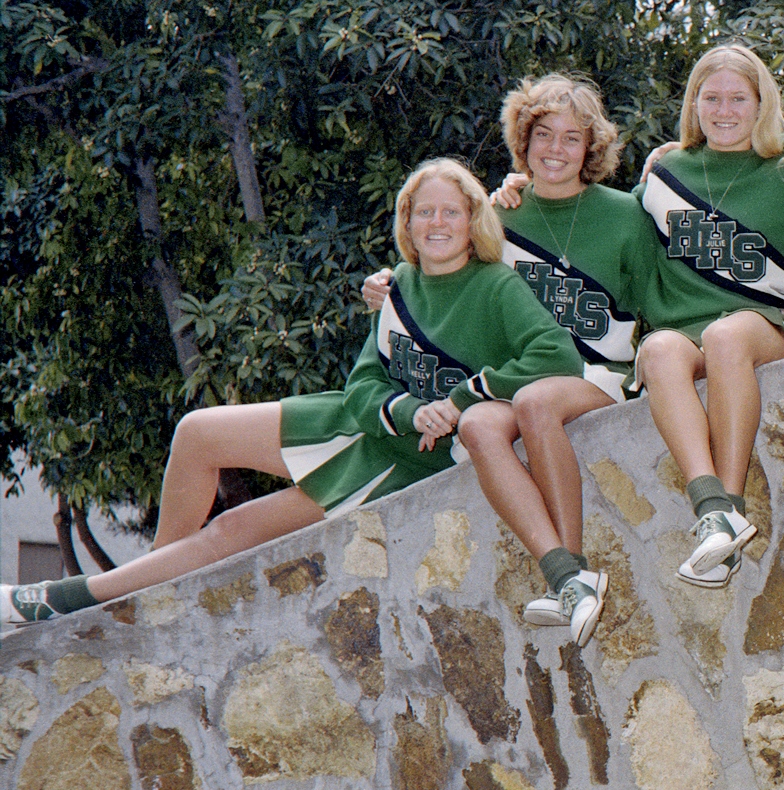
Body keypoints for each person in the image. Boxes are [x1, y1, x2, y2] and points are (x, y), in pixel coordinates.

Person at [4, 162, 599, 635]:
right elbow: (368, 383)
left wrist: (461, 399)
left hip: (398, 459)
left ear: (474, 220)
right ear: (407, 221)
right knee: (196, 433)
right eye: (423, 212)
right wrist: (406, 408)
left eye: (450, 211)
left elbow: (553, 357)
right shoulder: (401, 284)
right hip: (358, 420)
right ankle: (148, 583)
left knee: (230, 531)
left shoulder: (495, 284)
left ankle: (57, 600)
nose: (436, 223)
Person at [367, 75, 644, 633]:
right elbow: (439, 271)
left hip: (598, 374)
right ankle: (565, 576)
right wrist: (386, 284)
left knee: (539, 403)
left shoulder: (623, 213)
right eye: (544, 134)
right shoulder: (498, 216)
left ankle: (575, 573)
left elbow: (657, 295)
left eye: (573, 137)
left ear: (592, 147)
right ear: (523, 140)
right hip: (519, 376)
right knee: (479, 427)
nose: (556, 149)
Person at [631, 44, 784, 585]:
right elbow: (604, 237)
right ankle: (711, 511)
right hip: (684, 329)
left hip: (757, 328)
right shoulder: (666, 175)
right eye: (710, 98)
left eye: (738, 98)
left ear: (761, 103)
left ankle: (732, 506)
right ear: (693, 105)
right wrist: (517, 191)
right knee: (659, 349)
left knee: (725, 337)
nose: (723, 110)